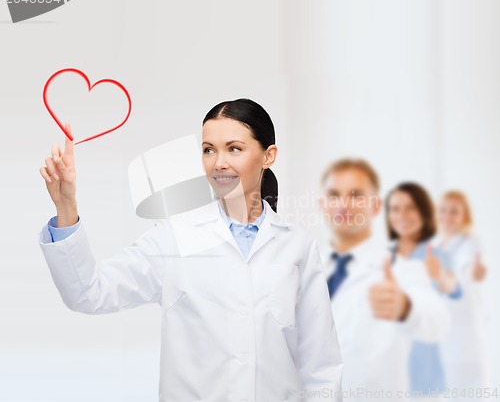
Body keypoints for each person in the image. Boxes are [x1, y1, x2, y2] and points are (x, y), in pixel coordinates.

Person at [38, 98, 343, 402]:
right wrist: (66, 206)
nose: (218, 162)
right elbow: (89, 292)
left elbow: (320, 366)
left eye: (234, 148)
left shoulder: (297, 247)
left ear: (268, 156)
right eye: (209, 149)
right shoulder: (175, 237)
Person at [318, 159, 450, 402]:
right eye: (334, 195)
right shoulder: (308, 268)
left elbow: (438, 321)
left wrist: (405, 308)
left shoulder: (402, 268)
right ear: (322, 205)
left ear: (376, 206)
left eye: (356, 195)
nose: (343, 205)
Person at [386, 182, 461, 402]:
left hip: (423, 376)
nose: (403, 215)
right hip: (386, 371)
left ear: (424, 212)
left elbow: (454, 288)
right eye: (396, 208)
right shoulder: (383, 257)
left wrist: (441, 278)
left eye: (411, 207)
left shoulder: (435, 255)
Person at [433, 190, 490, 399]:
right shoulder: (436, 245)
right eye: (443, 210)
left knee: (467, 392)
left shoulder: (470, 242)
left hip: (466, 334)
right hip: (444, 333)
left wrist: (474, 272)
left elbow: (468, 268)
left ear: (465, 216)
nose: (447, 216)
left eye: (454, 212)